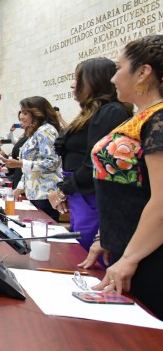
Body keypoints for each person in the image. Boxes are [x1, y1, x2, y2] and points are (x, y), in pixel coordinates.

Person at [80, 36, 163, 318]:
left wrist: (130, 257)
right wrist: (108, 237)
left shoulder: (159, 119)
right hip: (127, 250)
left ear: (143, 72)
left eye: (119, 67)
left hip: (148, 257)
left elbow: (161, 199)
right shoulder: (140, 118)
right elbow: (128, 187)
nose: (113, 77)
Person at [46, 58, 133, 252]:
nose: (72, 84)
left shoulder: (110, 112)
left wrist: (63, 191)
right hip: (80, 193)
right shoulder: (93, 112)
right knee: (77, 250)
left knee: (86, 255)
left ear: (94, 81)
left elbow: (95, 163)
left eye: (77, 79)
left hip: (91, 196)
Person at [3, 96, 63, 221]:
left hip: (45, 193)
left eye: (25, 113)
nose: (21, 117)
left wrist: (20, 164)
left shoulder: (46, 130)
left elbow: (52, 162)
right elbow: (29, 165)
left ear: (37, 113)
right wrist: (20, 187)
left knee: (44, 236)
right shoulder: (35, 132)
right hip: (35, 193)